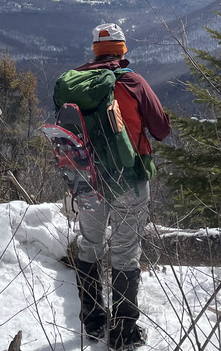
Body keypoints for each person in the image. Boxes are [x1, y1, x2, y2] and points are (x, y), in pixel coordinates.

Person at [72, 23, 170, 351]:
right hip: (128, 178)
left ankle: (93, 321)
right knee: (126, 253)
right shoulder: (133, 82)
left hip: (86, 179)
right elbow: (161, 129)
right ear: (123, 50)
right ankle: (124, 331)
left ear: (95, 51)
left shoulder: (75, 83)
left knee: (89, 245)